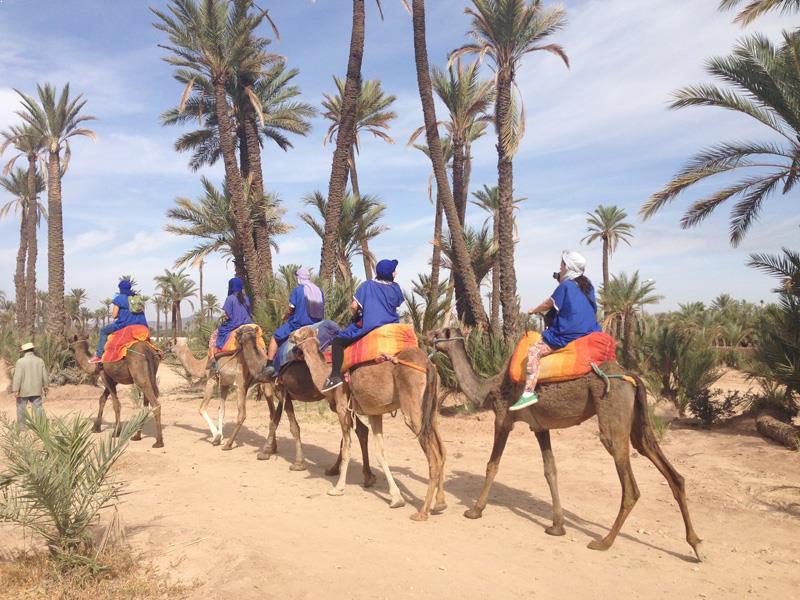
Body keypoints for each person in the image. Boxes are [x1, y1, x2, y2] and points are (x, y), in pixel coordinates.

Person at [510, 250, 601, 411]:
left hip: (568, 333)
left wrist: (533, 310)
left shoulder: (565, 286)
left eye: (562, 264)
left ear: (569, 267)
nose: (560, 267)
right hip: (591, 331)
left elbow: (549, 304)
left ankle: (528, 393)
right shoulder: (588, 287)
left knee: (533, 352)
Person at [322, 259, 403, 392]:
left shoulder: (367, 285)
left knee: (337, 341)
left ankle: (335, 376)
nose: (396, 273)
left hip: (370, 327)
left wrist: (356, 315)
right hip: (392, 326)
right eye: (394, 271)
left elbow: (354, 306)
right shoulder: (396, 288)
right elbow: (397, 303)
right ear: (389, 274)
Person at [262, 267, 324, 378]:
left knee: (275, 337)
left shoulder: (297, 290)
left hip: (298, 324)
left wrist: (284, 316)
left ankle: (269, 364)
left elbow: (291, 309)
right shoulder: (319, 291)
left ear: (299, 277)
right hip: (316, 325)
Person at [92, 279, 149, 362]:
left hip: (124, 325)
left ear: (120, 288)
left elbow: (114, 315)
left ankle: (99, 355)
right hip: (142, 326)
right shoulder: (137, 299)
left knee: (103, 330)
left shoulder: (119, 298)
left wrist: (120, 314)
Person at [12, 342, 48, 429]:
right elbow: (45, 375)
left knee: (21, 408)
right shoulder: (40, 361)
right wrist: (45, 387)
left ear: (23, 351)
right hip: (36, 390)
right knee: (38, 408)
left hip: (23, 391)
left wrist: (16, 389)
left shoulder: (20, 362)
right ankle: (42, 427)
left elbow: (18, 377)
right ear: (33, 350)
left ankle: (22, 427)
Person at [214, 277, 253, 352]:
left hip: (235, 324)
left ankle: (217, 353)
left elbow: (227, 316)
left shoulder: (230, 298)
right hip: (248, 323)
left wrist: (226, 318)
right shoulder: (246, 298)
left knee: (216, 334)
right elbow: (249, 313)